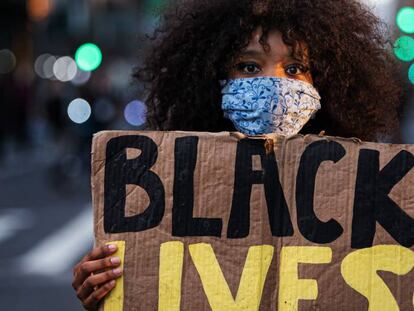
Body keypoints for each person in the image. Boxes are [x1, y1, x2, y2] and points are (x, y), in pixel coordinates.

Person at [72, 0, 404, 309]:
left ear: (326, 82)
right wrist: (111, 287)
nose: (272, 84)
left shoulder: (359, 194)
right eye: (248, 66)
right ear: (211, 76)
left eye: (294, 68)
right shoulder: (169, 183)